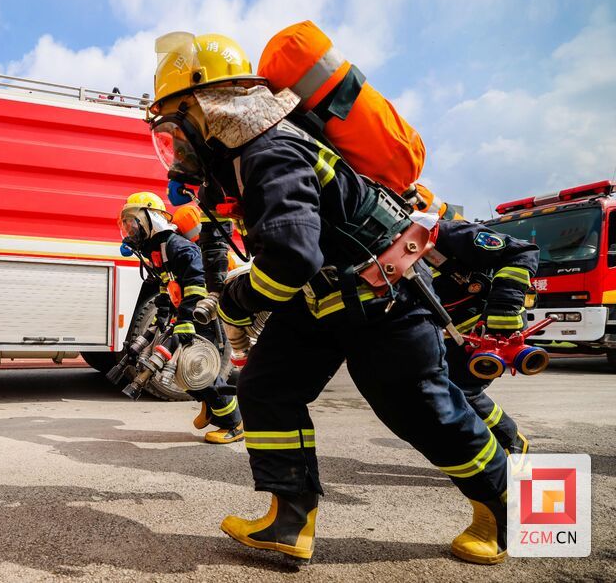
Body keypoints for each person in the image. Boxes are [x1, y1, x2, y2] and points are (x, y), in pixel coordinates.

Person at [149, 32, 508, 564]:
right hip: (325, 300)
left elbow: (293, 257)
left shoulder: (270, 150)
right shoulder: (245, 159)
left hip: (384, 297)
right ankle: (290, 522)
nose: (175, 149)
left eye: (176, 130)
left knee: (421, 410)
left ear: (209, 107)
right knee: (267, 387)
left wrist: (237, 299)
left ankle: (512, 506)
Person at [118, 192, 244, 443]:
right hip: (187, 311)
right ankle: (211, 406)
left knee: (198, 366)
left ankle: (234, 424)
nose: (130, 228)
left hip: (202, 313)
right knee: (182, 370)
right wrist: (163, 312)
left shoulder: (176, 245)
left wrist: (187, 318)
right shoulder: (155, 249)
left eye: (133, 221)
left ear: (151, 218)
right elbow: (168, 284)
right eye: (125, 223)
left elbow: (197, 282)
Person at [425, 210, 539, 460]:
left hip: (494, 326)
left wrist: (504, 309)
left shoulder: (445, 233)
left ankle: (511, 443)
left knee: (459, 389)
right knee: (442, 390)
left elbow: (522, 252)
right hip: (452, 333)